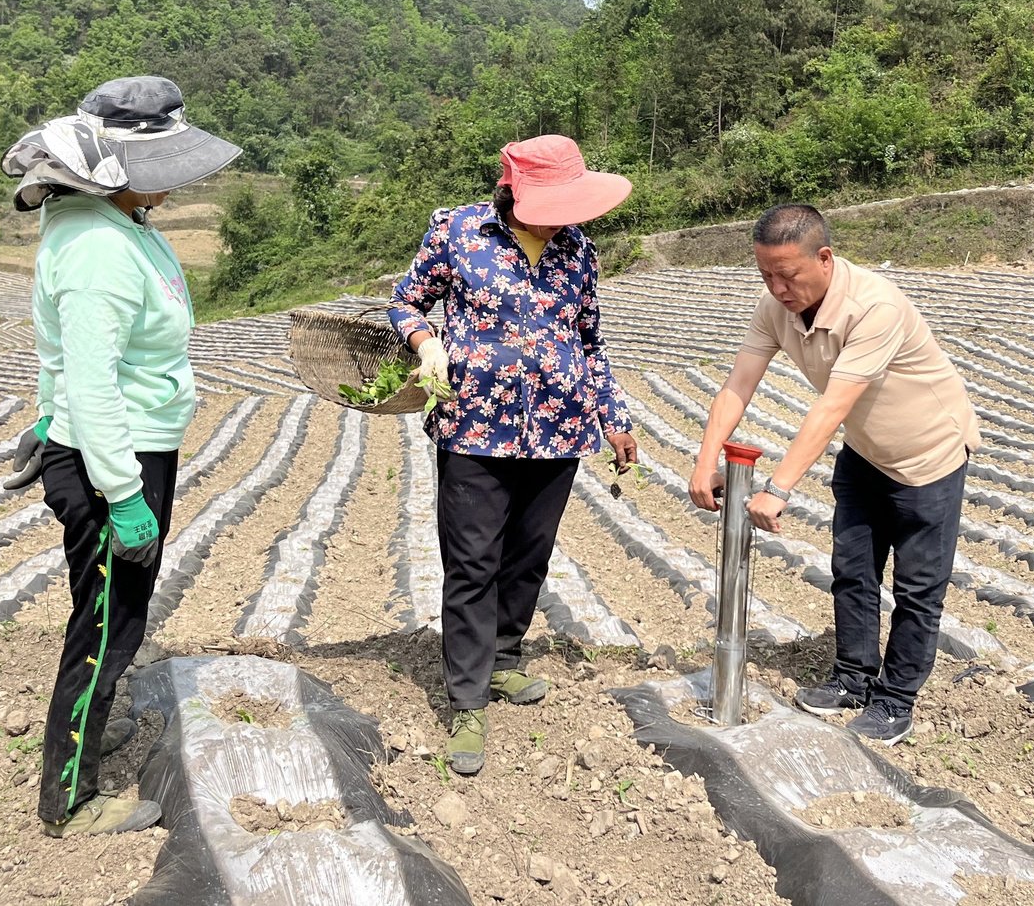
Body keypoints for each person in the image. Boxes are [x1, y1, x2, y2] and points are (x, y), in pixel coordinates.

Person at [0, 75, 244, 835]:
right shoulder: (101, 249)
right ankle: (69, 798)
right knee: (107, 627)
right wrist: (126, 495)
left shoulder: (109, 222)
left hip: (116, 449)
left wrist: (46, 413)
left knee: (104, 614)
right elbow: (95, 380)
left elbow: (62, 354)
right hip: (117, 462)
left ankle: (91, 727)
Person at [388, 134, 638, 775]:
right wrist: (425, 341)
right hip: (473, 426)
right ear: (513, 191)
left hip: (559, 428)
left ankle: (502, 659)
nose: (564, 216)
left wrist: (614, 418)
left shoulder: (579, 248)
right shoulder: (457, 231)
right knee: (472, 562)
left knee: (528, 554)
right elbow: (405, 301)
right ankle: (467, 701)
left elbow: (589, 342)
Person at [689, 205, 980, 746]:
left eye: (788, 275)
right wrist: (706, 459)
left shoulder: (875, 306)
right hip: (866, 454)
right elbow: (737, 385)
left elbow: (831, 405)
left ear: (824, 258)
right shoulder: (775, 307)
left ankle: (896, 699)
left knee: (917, 588)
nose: (777, 287)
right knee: (852, 570)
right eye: (766, 276)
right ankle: (853, 677)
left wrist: (777, 489)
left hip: (928, 457)